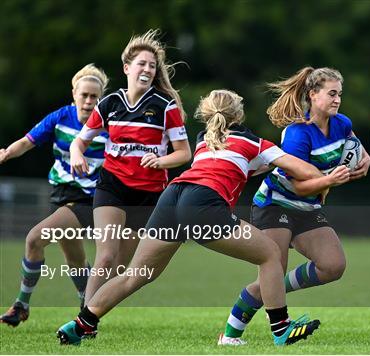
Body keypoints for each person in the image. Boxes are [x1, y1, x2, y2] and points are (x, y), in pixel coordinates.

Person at [57, 89, 326, 346]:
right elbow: (304, 170)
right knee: (270, 254)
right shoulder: (254, 143)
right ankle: (281, 328)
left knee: (136, 275)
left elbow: (236, 166)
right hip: (202, 203)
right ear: (239, 115)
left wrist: (266, 163)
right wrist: (332, 176)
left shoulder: (204, 140)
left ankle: (80, 325)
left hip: (172, 196)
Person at [219, 67, 370, 345]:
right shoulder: (297, 134)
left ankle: (275, 288)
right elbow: (299, 184)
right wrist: (329, 180)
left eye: (340, 94)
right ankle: (230, 335)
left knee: (333, 265)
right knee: (271, 269)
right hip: (275, 204)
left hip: (307, 207)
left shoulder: (342, 123)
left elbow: (358, 150)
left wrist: (365, 161)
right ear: (313, 95)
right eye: (332, 93)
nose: (338, 99)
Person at [69, 29, 191, 302]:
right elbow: (80, 142)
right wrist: (76, 154)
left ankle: (92, 312)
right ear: (127, 68)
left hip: (148, 193)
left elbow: (184, 154)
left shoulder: (165, 106)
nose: (147, 69)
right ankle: (83, 320)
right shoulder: (109, 103)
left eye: (152, 65)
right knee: (106, 256)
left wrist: (161, 161)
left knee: (123, 268)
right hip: (112, 185)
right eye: (141, 64)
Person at [0, 64, 109, 327]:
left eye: (95, 96)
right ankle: (88, 306)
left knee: (34, 239)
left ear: (101, 98)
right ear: (74, 94)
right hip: (60, 195)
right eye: (84, 95)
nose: (89, 101)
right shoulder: (60, 117)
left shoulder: (109, 127)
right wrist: (6, 153)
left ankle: (21, 305)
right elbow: (28, 141)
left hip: (87, 200)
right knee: (75, 258)